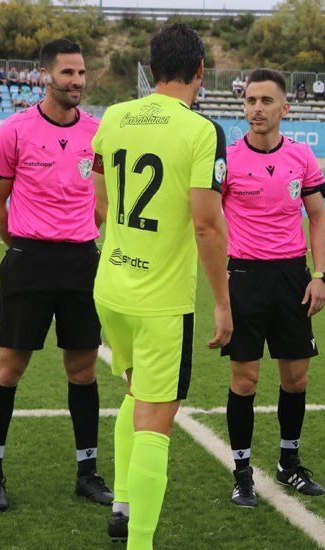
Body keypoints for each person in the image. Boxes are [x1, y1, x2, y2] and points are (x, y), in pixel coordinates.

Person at [89, 22, 232, 547]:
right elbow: (206, 223)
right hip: (160, 300)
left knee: (135, 393)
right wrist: (222, 302)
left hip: (111, 285)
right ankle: (141, 543)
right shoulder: (201, 130)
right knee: (157, 417)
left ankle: (122, 504)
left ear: (152, 70)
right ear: (200, 71)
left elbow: (101, 202)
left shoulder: (114, 116)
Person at [0, 38, 110, 512]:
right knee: (9, 369)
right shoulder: (14, 131)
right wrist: (22, 247)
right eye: (67, 73)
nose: (76, 81)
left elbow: (101, 199)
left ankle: (88, 472)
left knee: (83, 369)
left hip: (80, 263)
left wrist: (81, 232)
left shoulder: (97, 133)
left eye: (80, 73)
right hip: (29, 262)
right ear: (44, 75)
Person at [222, 68, 325, 508]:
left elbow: (318, 217)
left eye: (267, 101)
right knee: (245, 381)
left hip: (292, 277)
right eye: (250, 100)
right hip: (245, 277)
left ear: (285, 108)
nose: (257, 109)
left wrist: (319, 275)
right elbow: (207, 223)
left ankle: (289, 464)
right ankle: (243, 472)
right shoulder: (226, 159)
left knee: (296, 378)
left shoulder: (301, 157)